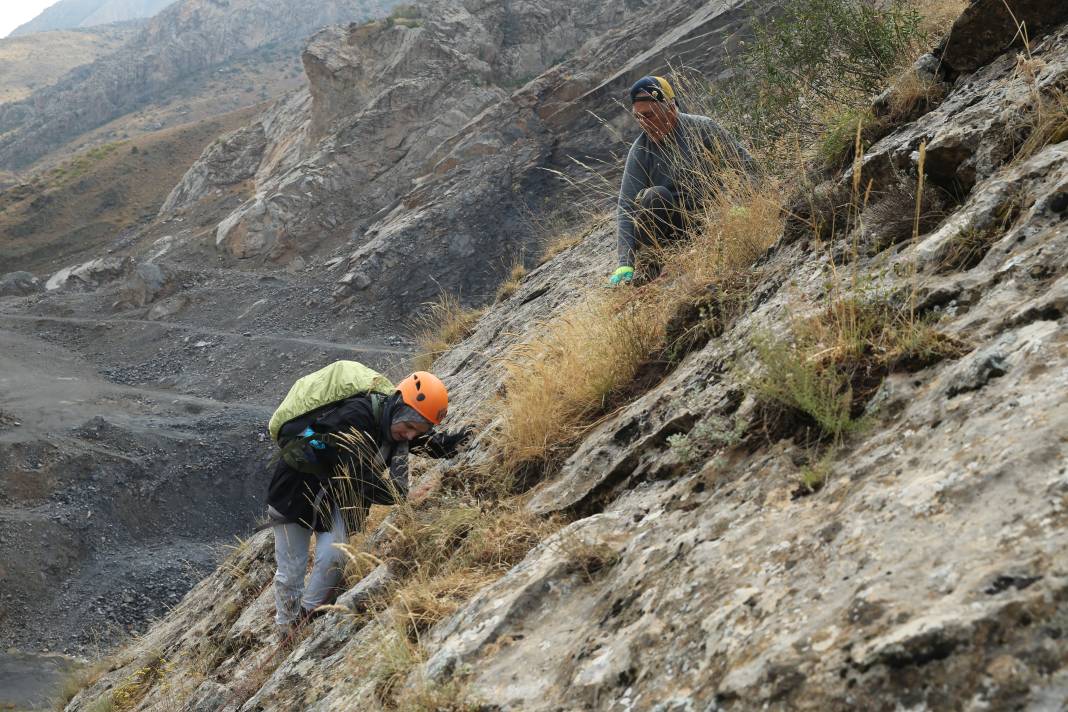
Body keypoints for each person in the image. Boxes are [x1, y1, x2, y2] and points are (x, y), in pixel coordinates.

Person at [266, 369, 470, 632]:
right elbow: (358, 477)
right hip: (295, 492)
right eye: (408, 427)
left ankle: (307, 618)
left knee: (334, 557)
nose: (409, 436)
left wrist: (455, 443)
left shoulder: (395, 424)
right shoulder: (356, 416)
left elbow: (421, 442)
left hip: (334, 497)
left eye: (416, 430)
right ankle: (286, 628)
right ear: (398, 407)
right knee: (291, 571)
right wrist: (401, 497)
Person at [610, 75, 758, 286]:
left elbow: (747, 166)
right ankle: (654, 265)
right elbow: (626, 206)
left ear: (670, 109)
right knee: (655, 196)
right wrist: (625, 262)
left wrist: (743, 205)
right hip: (666, 233)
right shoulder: (640, 151)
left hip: (707, 220)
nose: (643, 124)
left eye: (648, 116)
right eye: (637, 117)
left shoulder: (703, 128)